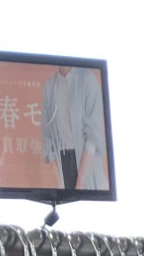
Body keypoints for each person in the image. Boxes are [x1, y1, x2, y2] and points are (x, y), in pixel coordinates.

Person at [41, 65, 109, 193]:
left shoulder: (87, 79)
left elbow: (93, 136)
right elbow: (47, 137)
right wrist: (58, 180)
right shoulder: (49, 86)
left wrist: (80, 180)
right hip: (62, 162)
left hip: (87, 162)